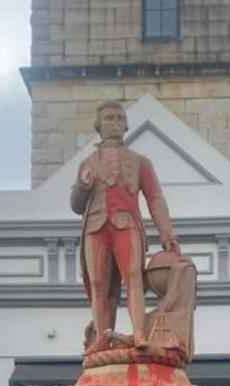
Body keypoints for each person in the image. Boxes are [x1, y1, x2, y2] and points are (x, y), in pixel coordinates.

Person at [71, 100, 180, 356]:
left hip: (126, 223)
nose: (116, 123)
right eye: (109, 118)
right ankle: (100, 335)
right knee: (98, 284)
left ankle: (139, 332)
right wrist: (82, 186)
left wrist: (167, 233)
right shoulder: (86, 163)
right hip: (96, 226)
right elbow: (76, 205)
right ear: (99, 125)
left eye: (120, 119)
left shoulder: (141, 162)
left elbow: (155, 198)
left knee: (133, 278)